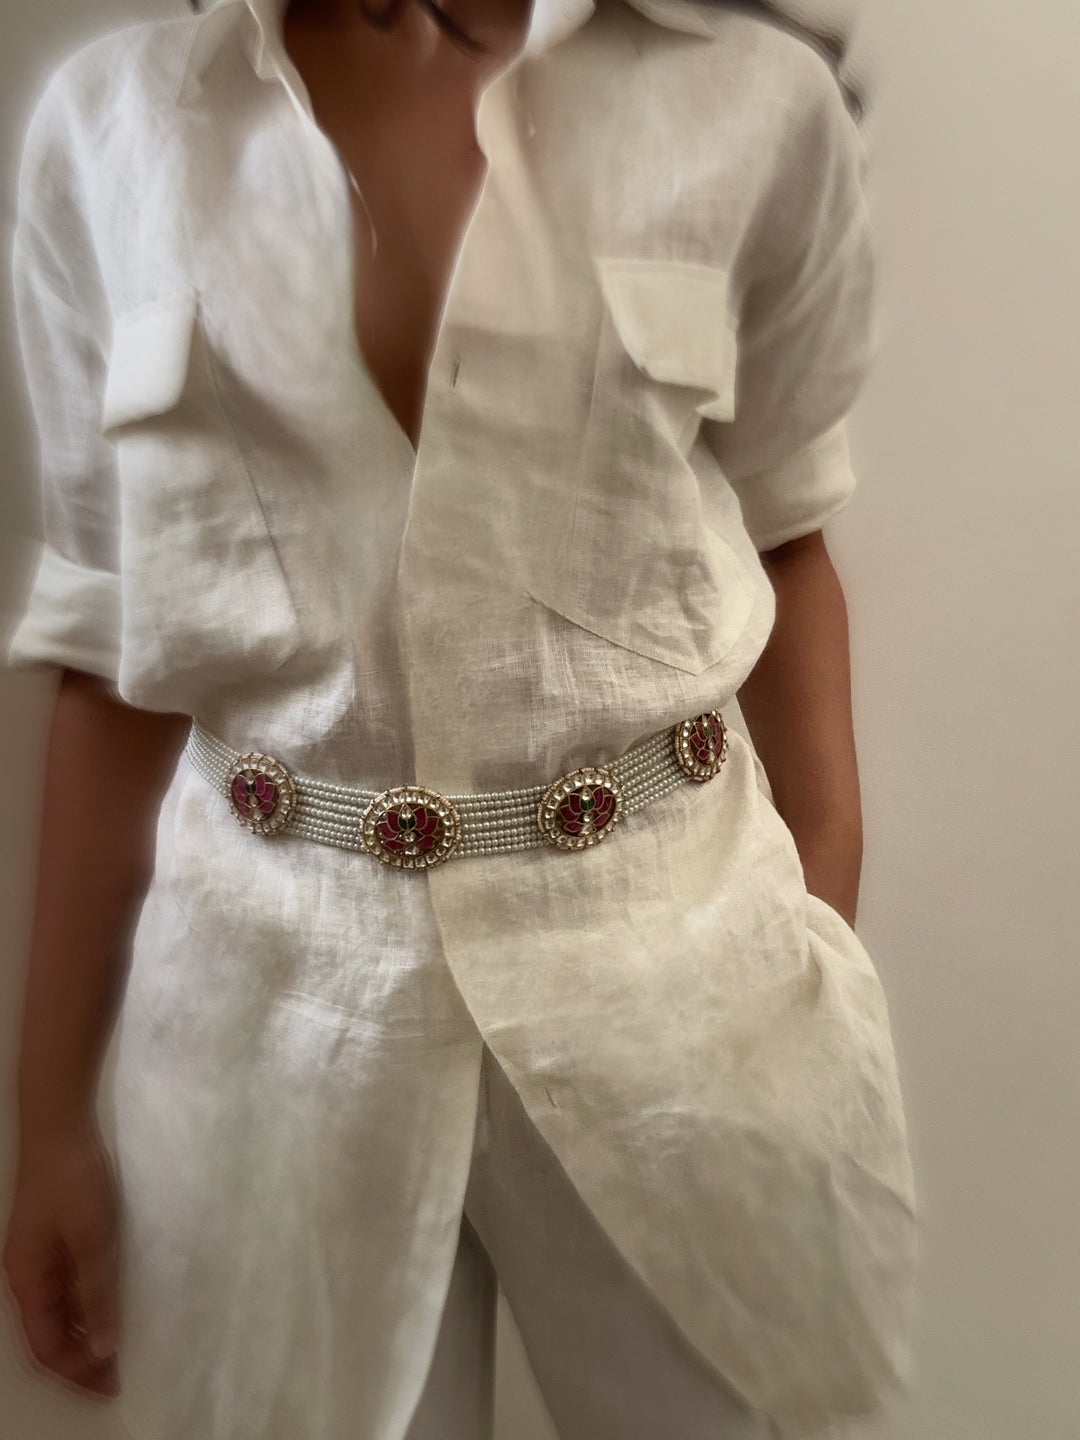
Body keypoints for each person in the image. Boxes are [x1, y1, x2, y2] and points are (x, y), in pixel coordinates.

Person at [2, 0, 920, 1436]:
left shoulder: (756, 104)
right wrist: (49, 1118)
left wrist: (821, 941)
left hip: (684, 987)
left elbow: (789, 537)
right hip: (261, 1027)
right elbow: (112, 646)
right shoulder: (111, 133)